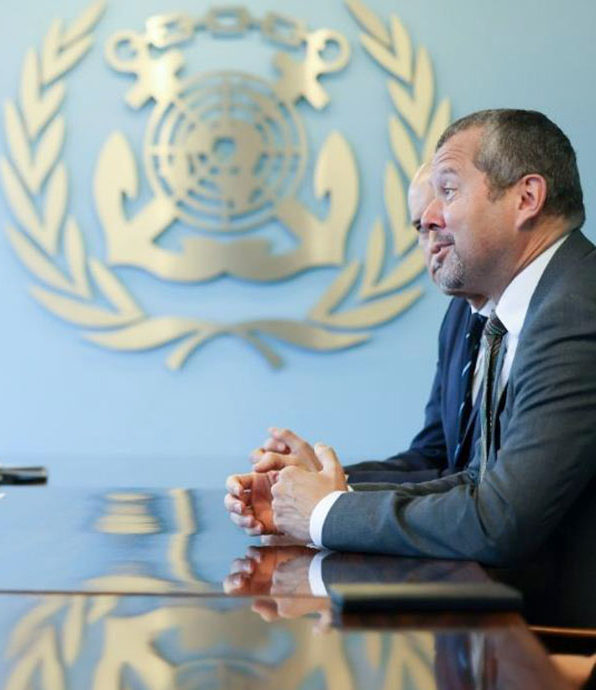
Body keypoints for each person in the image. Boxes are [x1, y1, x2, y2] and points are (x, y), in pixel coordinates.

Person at [226, 109, 596, 624]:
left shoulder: (577, 308)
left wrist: (325, 513)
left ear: (526, 198)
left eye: (448, 190)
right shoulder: (545, 301)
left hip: (561, 642)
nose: (430, 219)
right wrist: (323, 495)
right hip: (502, 623)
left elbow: (499, 519)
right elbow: (470, 476)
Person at [251, 162, 491, 484]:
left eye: (440, 219)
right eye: (420, 227)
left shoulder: (534, 319)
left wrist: (329, 496)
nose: (432, 239)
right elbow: (433, 458)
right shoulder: (460, 317)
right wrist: (323, 479)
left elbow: (480, 488)